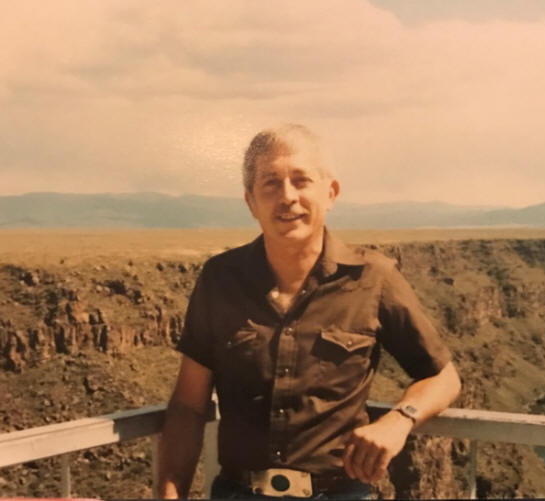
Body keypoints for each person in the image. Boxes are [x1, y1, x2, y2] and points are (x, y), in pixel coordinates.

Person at [158, 124, 461, 499]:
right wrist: (169, 494)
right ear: (251, 202)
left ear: (330, 193)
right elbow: (188, 405)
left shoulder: (373, 278)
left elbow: (443, 377)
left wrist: (398, 421)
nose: (287, 197)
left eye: (301, 181)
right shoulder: (220, 279)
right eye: (271, 183)